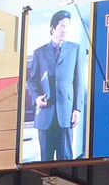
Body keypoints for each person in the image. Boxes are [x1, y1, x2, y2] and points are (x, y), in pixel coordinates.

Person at [26, 10, 87, 161]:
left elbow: (79, 81)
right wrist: (36, 98)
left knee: (66, 158)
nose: (65, 30)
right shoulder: (39, 52)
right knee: (45, 160)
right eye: (62, 26)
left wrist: (77, 109)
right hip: (45, 112)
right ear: (53, 28)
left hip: (66, 112)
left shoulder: (75, 49)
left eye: (67, 26)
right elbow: (32, 81)